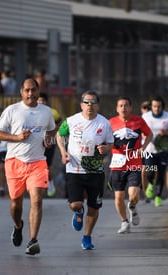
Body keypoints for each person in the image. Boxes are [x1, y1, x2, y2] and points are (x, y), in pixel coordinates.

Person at [0, 78, 56, 255]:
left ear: (38, 91)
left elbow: (52, 129)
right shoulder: (12, 110)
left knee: (36, 199)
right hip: (14, 161)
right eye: (27, 90)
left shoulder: (46, 111)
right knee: (16, 203)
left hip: (37, 162)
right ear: (21, 92)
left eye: (33, 90)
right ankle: (18, 225)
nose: (31, 94)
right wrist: (17, 138)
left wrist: (48, 140)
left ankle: (33, 240)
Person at [56, 90, 114, 250]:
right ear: (81, 105)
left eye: (93, 102)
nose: (90, 105)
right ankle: (79, 211)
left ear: (98, 105)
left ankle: (87, 237)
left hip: (95, 171)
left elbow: (110, 143)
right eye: (87, 102)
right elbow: (59, 135)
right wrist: (63, 152)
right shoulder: (71, 121)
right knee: (75, 204)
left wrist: (105, 148)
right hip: (75, 168)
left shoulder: (104, 123)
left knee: (94, 207)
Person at [108, 97, 152, 234]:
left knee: (133, 195)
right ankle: (124, 222)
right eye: (121, 105)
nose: (123, 108)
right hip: (117, 164)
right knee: (119, 196)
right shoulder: (110, 123)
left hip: (134, 162)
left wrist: (143, 147)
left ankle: (132, 207)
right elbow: (104, 139)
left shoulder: (138, 120)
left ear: (131, 107)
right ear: (117, 108)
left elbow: (149, 134)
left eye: (126, 105)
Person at [142, 96, 168, 207]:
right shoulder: (146, 116)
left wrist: (165, 132)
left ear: (162, 107)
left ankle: (158, 197)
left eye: (159, 106)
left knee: (161, 174)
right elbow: (141, 131)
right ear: (151, 107)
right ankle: (151, 184)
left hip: (163, 150)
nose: (157, 109)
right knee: (149, 170)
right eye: (154, 106)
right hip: (149, 149)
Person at [38, 93, 62, 197]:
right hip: (36, 143)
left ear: (46, 101)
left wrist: (51, 132)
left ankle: (50, 182)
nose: (41, 102)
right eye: (39, 100)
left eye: (43, 100)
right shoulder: (32, 112)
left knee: (46, 166)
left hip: (50, 142)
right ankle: (39, 185)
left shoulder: (53, 112)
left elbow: (59, 124)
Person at [140, 100, 152, 202]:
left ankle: (152, 188)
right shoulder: (139, 120)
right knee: (143, 172)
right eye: (145, 108)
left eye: (148, 108)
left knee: (148, 171)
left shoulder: (152, 119)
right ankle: (146, 194)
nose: (146, 110)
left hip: (150, 149)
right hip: (140, 150)